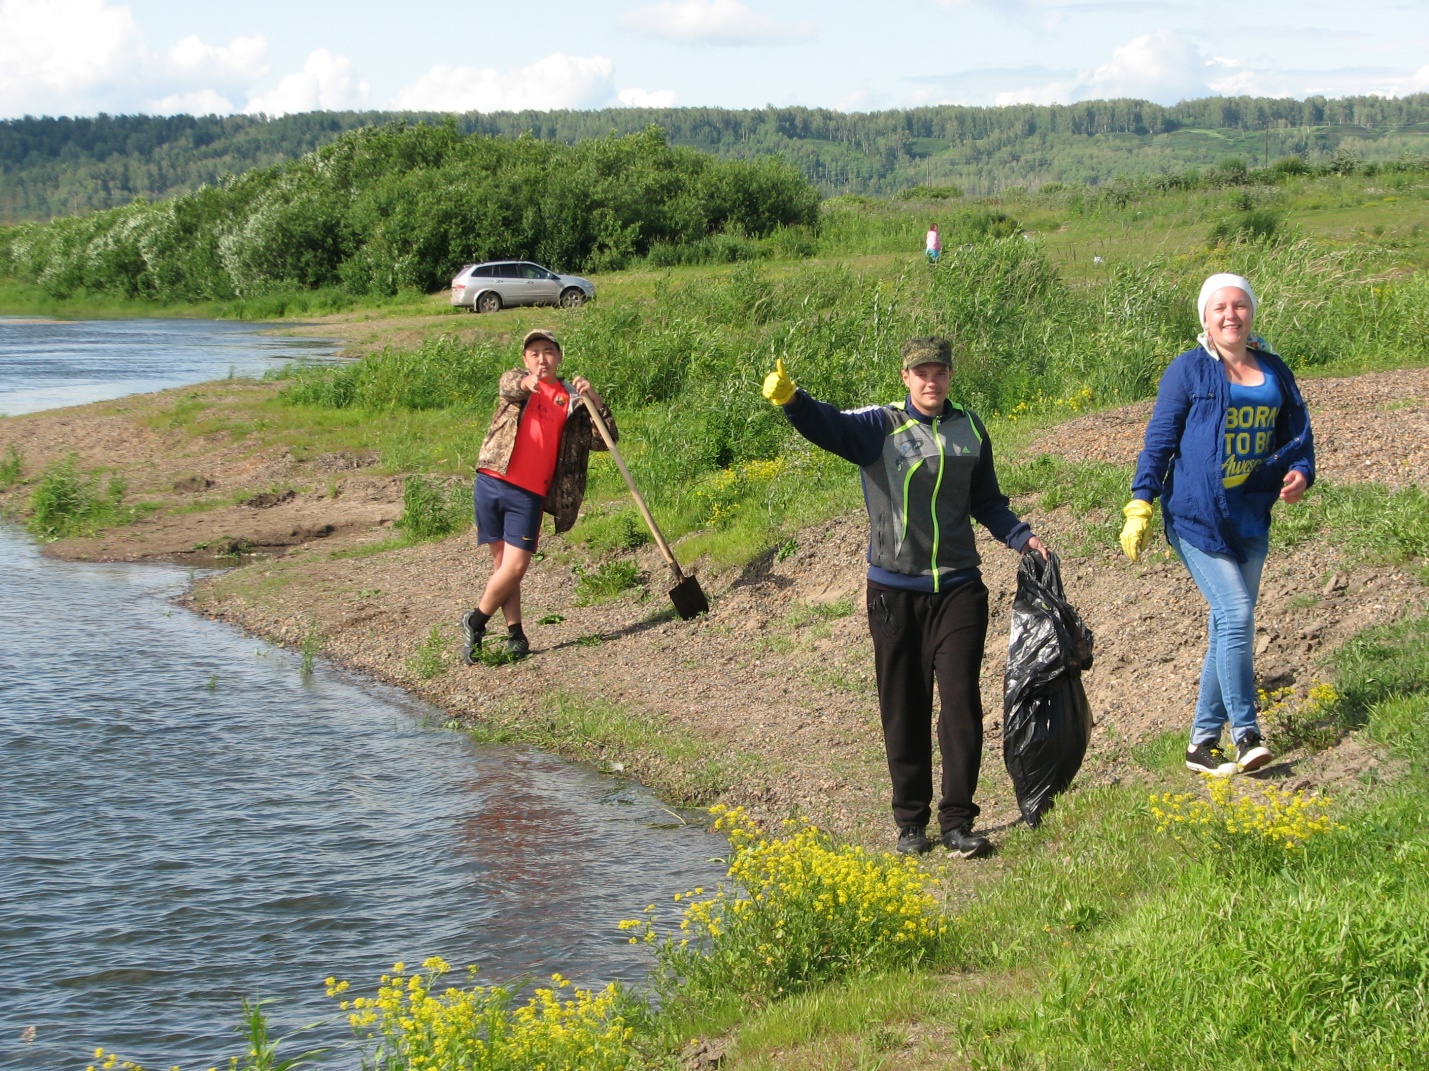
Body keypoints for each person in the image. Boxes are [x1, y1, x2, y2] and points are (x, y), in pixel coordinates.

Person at [762, 338, 1048, 858]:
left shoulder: (970, 428)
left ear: (950, 376)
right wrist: (793, 402)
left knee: (960, 701)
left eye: (939, 372)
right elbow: (830, 425)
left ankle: (958, 820)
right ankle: (911, 823)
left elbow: (986, 499)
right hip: (894, 592)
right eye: (921, 373)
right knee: (904, 706)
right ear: (905, 377)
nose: (931, 382)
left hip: (960, 588)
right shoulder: (881, 427)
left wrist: (1021, 536)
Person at [1120, 273, 1315, 777]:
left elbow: (1298, 434)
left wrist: (1300, 473)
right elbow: (1159, 440)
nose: (1231, 315)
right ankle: (1247, 733)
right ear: (1205, 320)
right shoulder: (1188, 371)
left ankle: (1201, 744)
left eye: (1239, 306)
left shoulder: (1274, 369)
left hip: (1250, 512)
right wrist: (1140, 503)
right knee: (1236, 614)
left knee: (1228, 624)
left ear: (1252, 314)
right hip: (1196, 515)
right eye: (1219, 308)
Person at [461, 328, 616, 663]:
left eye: (548, 352)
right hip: (492, 478)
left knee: (514, 567)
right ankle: (515, 633)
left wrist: (597, 402)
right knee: (502, 565)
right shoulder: (516, 382)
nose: (541, 358)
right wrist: (526, 384)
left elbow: (605, 441)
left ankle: (475, 621)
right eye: (534, 353)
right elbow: (509, 384)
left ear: (558, 357)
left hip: (530, 492)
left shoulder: (572, 398)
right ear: (525, 360)